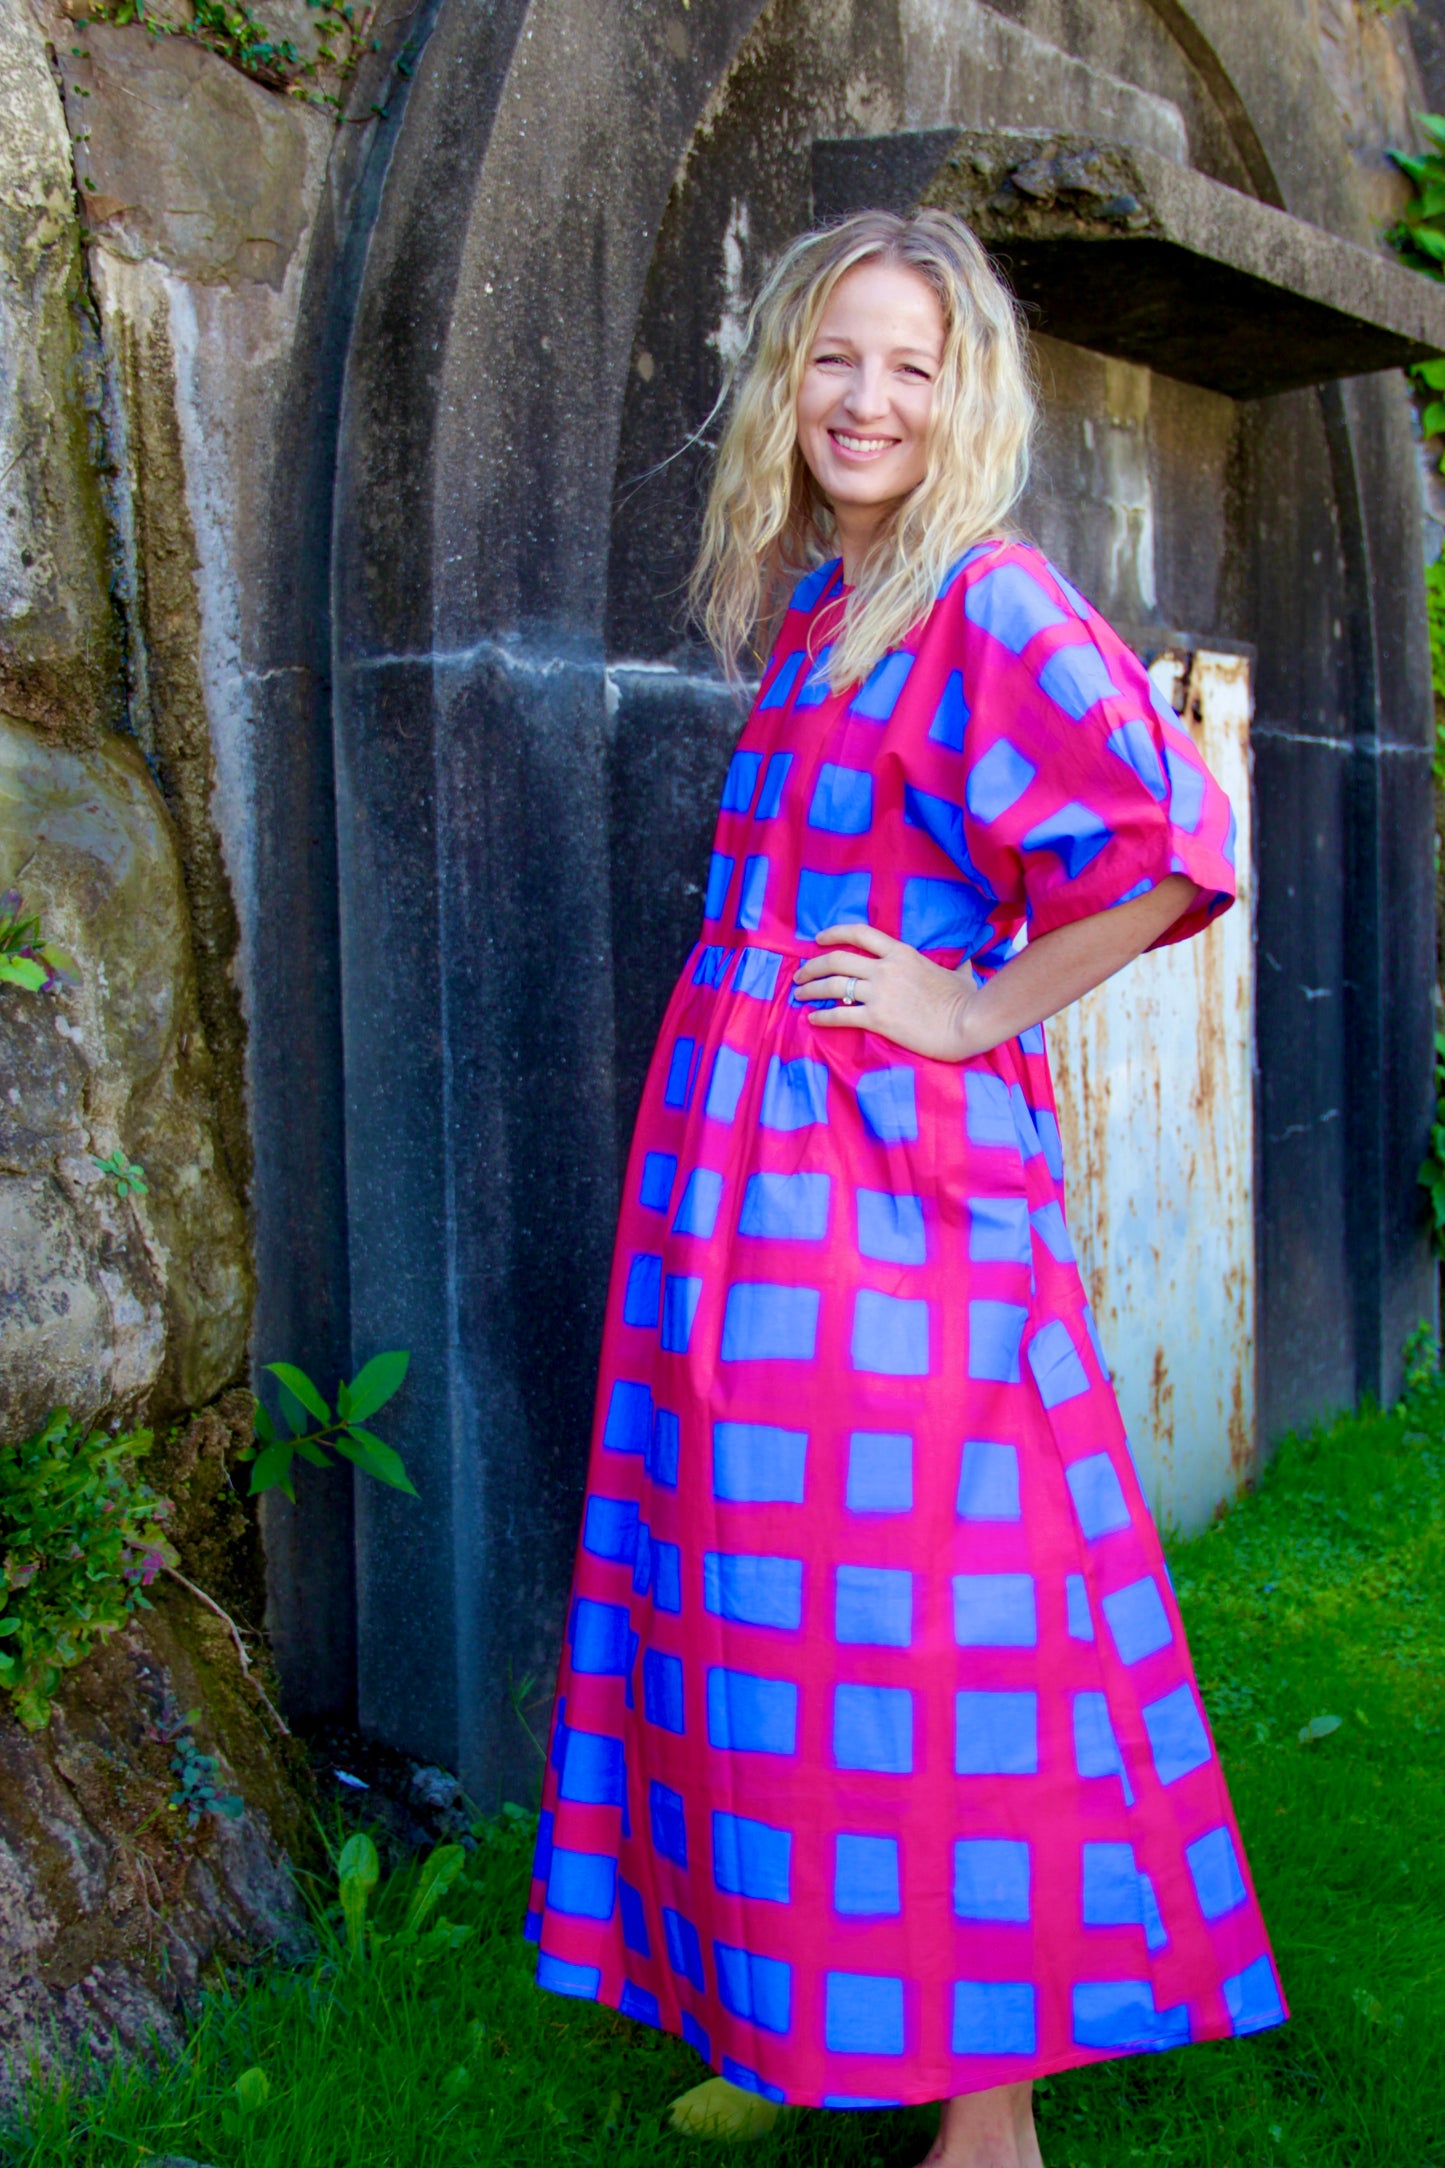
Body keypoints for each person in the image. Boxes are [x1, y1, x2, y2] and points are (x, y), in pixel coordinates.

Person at [525, 207, 1285, 2167]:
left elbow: (1167, 842)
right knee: (762, 1614)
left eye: (911, 365)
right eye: (835, 357)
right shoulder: (815, 608)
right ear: (784, 378)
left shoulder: (990, 603)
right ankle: (803, 2005)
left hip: (891, 1208)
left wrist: (970, 1007)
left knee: (943, 1632)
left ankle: (988, 2118)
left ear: (966, 403)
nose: (866, 398)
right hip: (742, 1203)